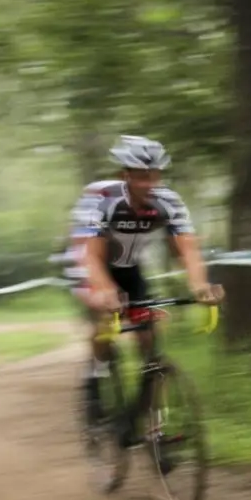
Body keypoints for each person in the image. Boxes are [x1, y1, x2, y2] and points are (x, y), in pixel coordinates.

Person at [74, 135, 224, 446]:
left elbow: (188, 251)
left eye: (154, 175)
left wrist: (199, 285)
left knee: (149, 336)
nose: (149, 183)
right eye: (142, 176)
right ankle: (94, 378)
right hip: (91, 263)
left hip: (129, 269)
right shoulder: (102, 198)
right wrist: (103, 290)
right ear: (125, 176)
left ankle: (150, 427)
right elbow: (91, 255)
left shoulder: (168, 202)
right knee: (104, 317)